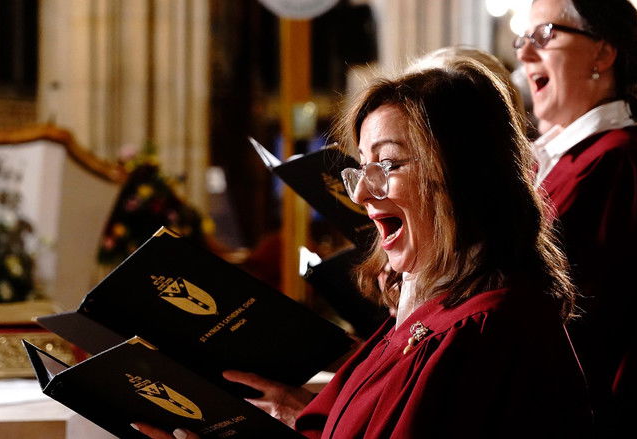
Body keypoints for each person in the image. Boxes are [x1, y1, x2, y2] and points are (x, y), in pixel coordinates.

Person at [136, 59, 593, 439]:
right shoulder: (427, 314)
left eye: (390, 163)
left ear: (464, 175)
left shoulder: (481, 329)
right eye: (363, 167)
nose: (360, 195)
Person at [514, 0, 637, 436]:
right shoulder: (579, 159)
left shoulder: (618, 165)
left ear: (602, 52)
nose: (523, 55)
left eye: (544, 35)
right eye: (522, 40)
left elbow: (581, 325)